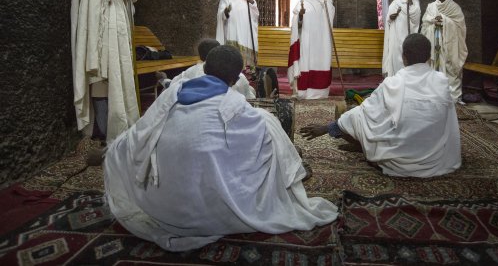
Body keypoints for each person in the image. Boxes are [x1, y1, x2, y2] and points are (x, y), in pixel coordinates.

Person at [104, 45, 338, 252]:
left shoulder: (169, 97)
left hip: (162, 209)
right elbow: (256, 152)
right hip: (209, 214)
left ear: (204, 68)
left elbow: (132, 141)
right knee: (270, 127)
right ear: (237, 80)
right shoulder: (238, 107)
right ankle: (292, 175)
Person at [300, 33, 461, 178]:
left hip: (396, 162)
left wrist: (328, 128)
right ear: (428, 57)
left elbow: (362, 113)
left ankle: (364, 145)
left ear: (404, 57)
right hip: (436, 160)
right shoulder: (441, 82)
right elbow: (450, 122)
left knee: (357, 114)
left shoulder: (393, 84)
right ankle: (365, 145)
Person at [69, 0, 143, 142]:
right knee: (100, 72)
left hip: (116, 23)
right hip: (96, 24)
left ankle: (117, 124)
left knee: (116, 72)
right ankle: (101, 130)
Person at [287, 0, 335, 99]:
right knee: (307, 64)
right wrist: (300, 15)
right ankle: (304, 92)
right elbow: (296, 24)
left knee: (321, 63)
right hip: (308, 41)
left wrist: (328, 3)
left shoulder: (324, 2)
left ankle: (321, 92)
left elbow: (330, 16)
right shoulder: (302, 3)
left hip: (322, 41)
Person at [156, 38, 255, 98]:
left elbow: (173, 87)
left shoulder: (191, 72)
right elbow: (250, 99)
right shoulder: (239, 76)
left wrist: (163, 79)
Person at [421, 0, 468, 103]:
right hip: (433, 43)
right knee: (432, 67)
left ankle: (450, 95)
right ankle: (433, 93)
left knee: (449, 67)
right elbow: (424, 22)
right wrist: (432, 21)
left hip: (448, 45)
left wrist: (443, 20)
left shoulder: (454, 8)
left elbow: (460, 26)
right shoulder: (431, 6)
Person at [216, 0, 258, 68]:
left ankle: (248, 74)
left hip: (246, 32)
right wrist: (226, 11)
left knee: (246, 63)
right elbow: (221, 14)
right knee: (233, 60)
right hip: (233, 30)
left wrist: (252, 2)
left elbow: (256, 15)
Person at [382, 0, 421, 77]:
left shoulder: (414, 1)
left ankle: (406, 80)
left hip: (407, 35)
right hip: (395, 37)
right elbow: (388, 21)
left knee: (406, 56)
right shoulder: (394, 3)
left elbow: (416, 16)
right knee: (395, 57)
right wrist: (390, 18)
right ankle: (395, 79)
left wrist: (410, 1)